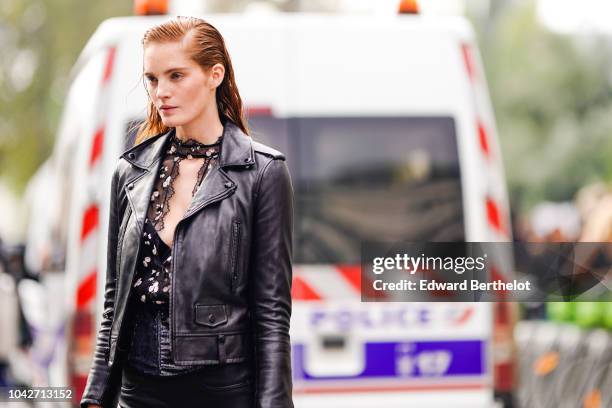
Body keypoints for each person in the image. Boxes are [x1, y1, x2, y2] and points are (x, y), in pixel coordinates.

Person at [80, 16, 294, 408]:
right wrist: (96, 394)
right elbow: (115, 299)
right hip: (137, 388)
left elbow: (271, 313)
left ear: (215, 74)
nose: (161, 92)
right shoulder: (130, 172)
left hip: (222, 389)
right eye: (152, 79)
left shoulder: (262, 173)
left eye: (176, 76)